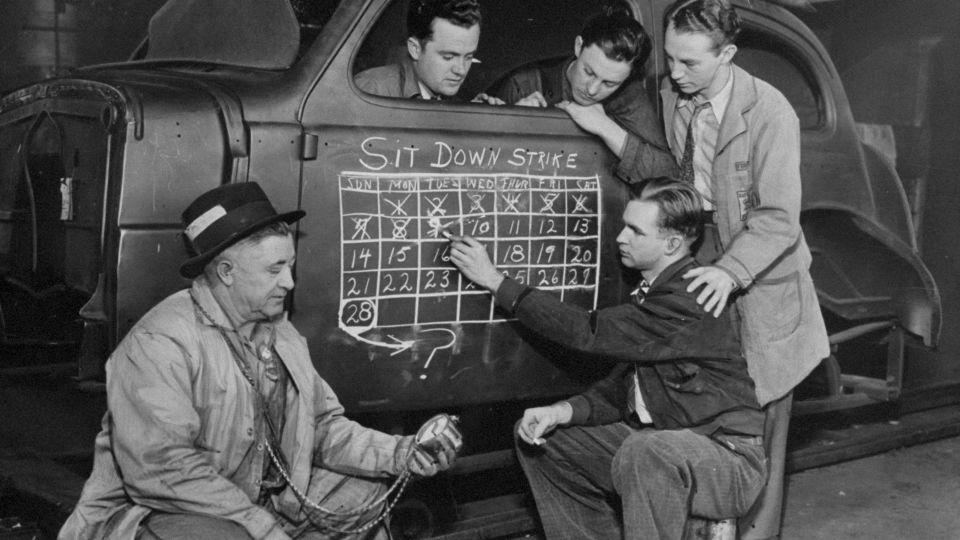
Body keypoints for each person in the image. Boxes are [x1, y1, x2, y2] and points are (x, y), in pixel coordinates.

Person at [59, 182, 457, 540]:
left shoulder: (280, 332)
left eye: (291, 266)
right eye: (275, 269)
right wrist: (260, 527)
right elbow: (164, 470)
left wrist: (401, 452)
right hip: (161, 513)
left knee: (362, 495)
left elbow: (322, 428)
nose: (289, 282)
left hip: (256, 503)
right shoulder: (159, 342)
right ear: (227, 272)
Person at [448, 177, 766, 539]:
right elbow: (621, 391)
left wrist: (494, 280)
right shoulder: (649, 294)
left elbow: (587, 331)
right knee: (546, 442)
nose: (620, 238)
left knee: (645, 449)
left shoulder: (688, 297)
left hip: (727, 460)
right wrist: (560, 412)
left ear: (672, 243)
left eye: (635, 231)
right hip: (666, 445)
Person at [658, 0, 829, 406]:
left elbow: (778, 218)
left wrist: (730, 272)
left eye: (689, 62)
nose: (675, 72)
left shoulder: (770, 112)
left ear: (727, 55)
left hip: (756, 256)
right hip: (696, 240)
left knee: (759, 395)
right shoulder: (670, 94)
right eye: (669, 58)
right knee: (702, 394)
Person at [488, 7, 676, 178]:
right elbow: (479, 160)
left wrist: (604, 127)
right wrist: (515, 124)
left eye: (609, 83)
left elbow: (668, 174)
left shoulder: (629, 94)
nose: (592, 90)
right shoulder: (523, 85)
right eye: (588, 72)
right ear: (578, 46)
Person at [354, 0, 500, 103]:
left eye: (469, 57)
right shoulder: (371, 90)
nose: (461, 70)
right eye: (448, 57)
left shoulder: (442, 93)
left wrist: (469, 118)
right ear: (415, 49)